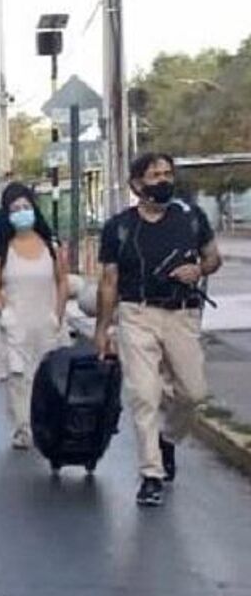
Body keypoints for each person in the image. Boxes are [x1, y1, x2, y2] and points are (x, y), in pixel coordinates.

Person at [94, 153, 222, 507]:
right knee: (145, 395)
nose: (163, 180)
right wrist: (102, 329)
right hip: (137, 314)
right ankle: (151, 473)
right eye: (154, 175)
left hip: (182, 315)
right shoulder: (119, 227)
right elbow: (108, 281)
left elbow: (213, 257)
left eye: (167, 174)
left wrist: (198, 271)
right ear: (137, 184)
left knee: (193, 393)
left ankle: (169, 438)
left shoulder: (191, 219)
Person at [0, 183, 69, 450]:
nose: (22, 212)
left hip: (47, 321)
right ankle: (23, 428)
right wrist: (4, 313)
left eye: (26, 207)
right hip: (14, 324)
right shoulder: (1, 250)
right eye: (15, 209)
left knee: (49, 375)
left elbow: (62, 281)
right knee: (18, 380)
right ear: (7, 214)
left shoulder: (51, 246)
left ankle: (49, 424)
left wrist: (58, 314)